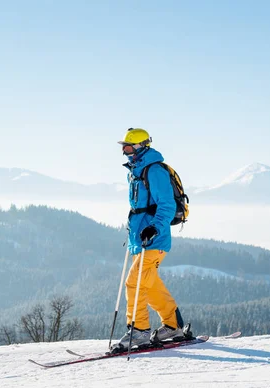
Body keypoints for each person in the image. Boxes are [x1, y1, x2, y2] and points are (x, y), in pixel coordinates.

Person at [113, 127, 186, 351]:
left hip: (154, 239)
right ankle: (174, 326)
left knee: (134, 282)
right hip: (140, 238)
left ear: (141, 147)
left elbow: (167, 204)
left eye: (128, 147)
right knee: (151, 285)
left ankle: (140, 331)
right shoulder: (135, 172)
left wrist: (153, 228)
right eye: (123, 148)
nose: (125, 152)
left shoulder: (154, 171)